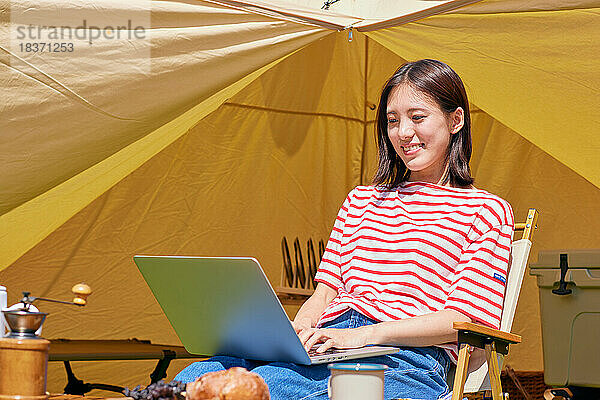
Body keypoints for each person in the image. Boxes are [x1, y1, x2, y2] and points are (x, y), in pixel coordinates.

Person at [174, 59, 514, 400]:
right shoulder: (362, 200)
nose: (403, 133)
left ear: (456, 120)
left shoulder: (485, 211)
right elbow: (324, 294)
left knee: (264, 390)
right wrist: (299, 330)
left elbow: (462, 318)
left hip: (402, 360)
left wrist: (364, 336)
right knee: (193, 379)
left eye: (417, 117)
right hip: (328, 344)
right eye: (392, 121)